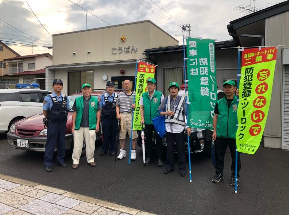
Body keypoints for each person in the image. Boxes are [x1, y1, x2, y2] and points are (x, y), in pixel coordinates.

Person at [212, 80, 241, 186]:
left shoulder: (240, 102)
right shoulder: (219, 102)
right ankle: (219, 174)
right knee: (219, 155)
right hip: (221, 134)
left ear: (234, 89)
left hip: (235, 134)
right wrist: (214, 131)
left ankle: (235, 176)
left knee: (236, 156)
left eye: (230, 87)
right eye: (225, 87)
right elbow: (215, 117)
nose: (227, 89)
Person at [158, 82, 191, 177]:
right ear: (169, 90)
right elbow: (159, 112)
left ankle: (182, 168)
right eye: (171, 88)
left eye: (175, 88)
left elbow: (186, 114)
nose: (173, 90)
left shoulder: (183, 100)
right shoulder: (166, 99)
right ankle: (169, 167)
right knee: (169, 148)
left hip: (179, 128)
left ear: (178, 90)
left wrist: (188, 126)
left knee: (181, 149)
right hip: (168, 128)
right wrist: (165, 113)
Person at [43, 79, 70, 172]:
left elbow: (67, 109)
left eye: (60, 85)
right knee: (51, 143)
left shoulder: (65, 98)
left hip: (62, 123)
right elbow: (45, 111)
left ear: (62, 87)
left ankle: (60, 160)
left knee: (61, 142)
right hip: (53, 123)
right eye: (56, 85)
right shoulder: (48, 98)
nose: (58, 86)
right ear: (53, 86)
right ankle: (48, 163)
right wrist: (49, 119)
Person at [71, 83, 100, 169]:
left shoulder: (95, 100)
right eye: (84, 89)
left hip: (91, 126)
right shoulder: (77, 99)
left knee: (91, 144)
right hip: (78, 126)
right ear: (82, 90)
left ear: (91, 90)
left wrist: (97, 124)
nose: (86, 91)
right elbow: (74, 112)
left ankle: (90, 159)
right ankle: (75, 161)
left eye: (88, 89)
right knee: (77, 145)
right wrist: (73, 125)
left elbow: (98, 112)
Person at [140, 77, 164, 166]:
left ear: (154, 86)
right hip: (147, 122)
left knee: (159, 140)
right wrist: (142, 118)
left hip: (157, 122)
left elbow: (162, 108)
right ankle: (148, 157)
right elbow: (141, 108)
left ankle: (160, 158)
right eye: (148, 84)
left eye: (151, 85)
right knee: (148, 140)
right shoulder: (143, 95)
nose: (149, 86)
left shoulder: (160, 94)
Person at [116, 80, 138, 160]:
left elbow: (140, 106)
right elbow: (117, 105)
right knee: (122, 134)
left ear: (131, 85)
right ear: (123, 85)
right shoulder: (120, 95)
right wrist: (118, 114)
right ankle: (122, 151)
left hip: (131, 115)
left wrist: (135, 106)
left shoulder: (135, 94)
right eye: (125, 84)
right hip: (122, 115)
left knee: (133, 134)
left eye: (128, 84)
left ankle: (133, 151)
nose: (126, 85)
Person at [97, 81, 118, 156]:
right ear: (106, 88)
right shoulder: (102, 97)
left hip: (114, 119)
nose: (110, 88)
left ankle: (112, 149)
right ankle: (104, 149)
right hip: (105, 119)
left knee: (113, 134)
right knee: (105, 134)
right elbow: (99, 108)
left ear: (114, 88)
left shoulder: (117, 96)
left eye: (112, 87)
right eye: (109, 87)